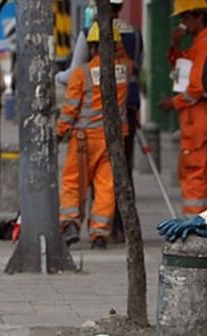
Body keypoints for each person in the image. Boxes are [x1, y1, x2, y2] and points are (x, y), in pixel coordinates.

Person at [57, 24, 130, 250]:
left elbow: (70, 108)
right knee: (106, 187)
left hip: (83, 139)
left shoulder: (82, 73)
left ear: (91, 47)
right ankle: (99, 233)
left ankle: (70, 224)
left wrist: (59, 132)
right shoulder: (124, 71)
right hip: (112, 140)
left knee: (73, 183)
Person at [159, 0, 207, 227]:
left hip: (198, 117)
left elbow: (195, 87)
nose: (183, 23)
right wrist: (175, 46)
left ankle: (194, 224)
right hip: (202, 116)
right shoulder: (201, 42)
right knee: (203, 172)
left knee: (193, 170)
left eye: (185, 18)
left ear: (197, 17)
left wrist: (172, 103)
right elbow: (182, 70)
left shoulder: (205, 44)